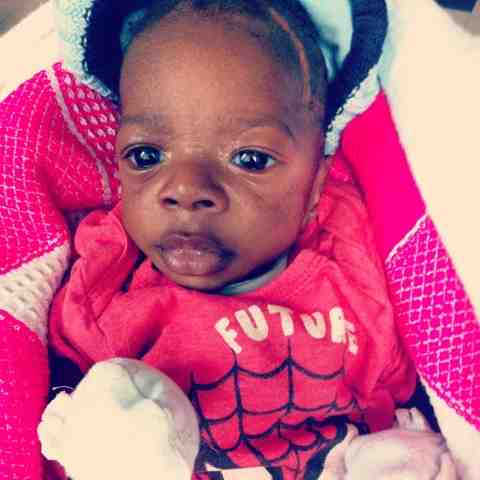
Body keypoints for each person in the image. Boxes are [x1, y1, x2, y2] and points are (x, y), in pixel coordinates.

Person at [45, 1, 449, 478]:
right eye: (146, 155)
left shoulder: (351, 267)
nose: (185, 189)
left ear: (315, 186)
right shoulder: (107, 289)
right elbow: (64, 428)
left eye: (250, 159)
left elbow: (410, 390)